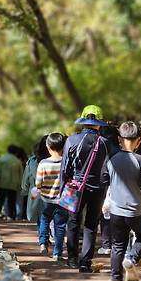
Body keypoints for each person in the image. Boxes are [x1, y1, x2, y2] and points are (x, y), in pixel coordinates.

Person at [101, 121, 141, 281]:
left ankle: (115, 277)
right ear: (139, 140)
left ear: (119, 139)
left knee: (118, 244)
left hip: (116, 210)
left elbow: (104, 179)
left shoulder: (111, 160)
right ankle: (131, 258)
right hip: (136, 210)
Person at [61, 105, 109, 272]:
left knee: (73, 222)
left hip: (76, 186)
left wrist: (63, 188)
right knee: (91, 224)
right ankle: (85, 262)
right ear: (99, 123)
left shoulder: (72, 140)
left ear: (83, 121)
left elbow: (65, 168)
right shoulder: (104, 143)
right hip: (98, 188)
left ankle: (73, 259)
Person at [36, 133, 68, 260]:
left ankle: (43, 243)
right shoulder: (65, 162)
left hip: (45, 199)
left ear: (47, 146)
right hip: (61, 200)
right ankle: (57, 253)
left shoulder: (43, 163)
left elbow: (38, 183)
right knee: (60, 226)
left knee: (44, 220)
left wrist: (39, 189)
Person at [98, 125, 120, 256]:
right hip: (119, 186)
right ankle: (116, 243)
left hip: (104, 186)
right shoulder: (118, 151)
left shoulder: (102, 149)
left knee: (105, 214)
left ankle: (106, 244)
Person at [22, 135, 50, 222]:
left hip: (35, 193)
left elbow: (25, 180)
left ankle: (42, 235)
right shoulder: (59, 160)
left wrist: (25, 189)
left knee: (39, 219)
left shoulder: (32, 161)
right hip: (53, 193)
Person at [0, 145, 24, 219]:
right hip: (13, 185)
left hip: (2, 183)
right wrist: (21, 184)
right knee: (12, 201)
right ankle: (11, 216)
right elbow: (21, 173)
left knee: (1, 199)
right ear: (16, 152)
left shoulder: (1, 159)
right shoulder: (17, 161)